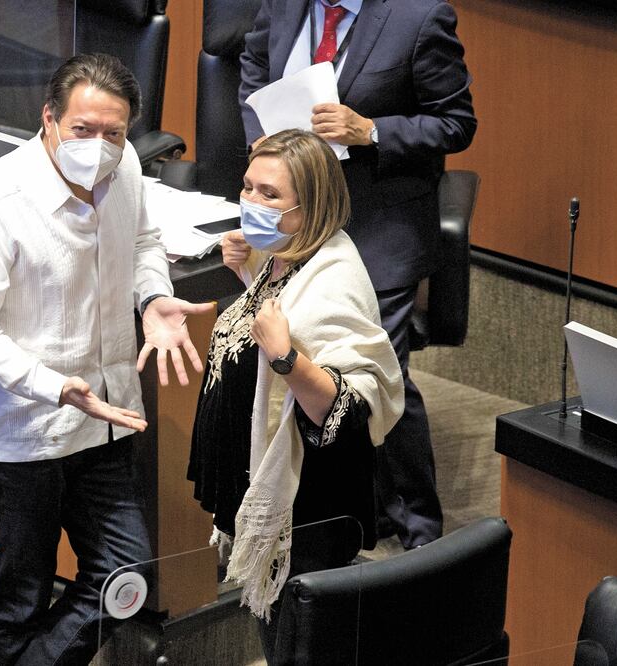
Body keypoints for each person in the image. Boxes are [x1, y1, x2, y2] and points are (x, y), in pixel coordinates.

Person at [0, 53, 210, 665]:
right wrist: (55, 386)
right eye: (82, 130)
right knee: (22, 596)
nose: (97, 145)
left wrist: (154, 295)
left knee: (126, 577)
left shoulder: (128, 168)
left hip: (105, 416)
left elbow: (145, 242)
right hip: (21, 431)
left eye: (113, 133)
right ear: (49, 119)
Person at [237, 0, 478, 549]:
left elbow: (456, 123)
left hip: (379, 225)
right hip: (296, 218)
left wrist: (370, 130)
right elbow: (252, 64)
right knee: (297, 362)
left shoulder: (420, 18)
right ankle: (338, 512)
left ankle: (420, 530)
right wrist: (262, 137)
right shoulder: (282, 4)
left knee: (376, 374)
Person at [188, 129, 404, 658]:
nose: (251, 203)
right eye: (247, 188)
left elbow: (354, 408)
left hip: (308, 519)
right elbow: (265, 330)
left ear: (311, 209)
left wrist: (288, 360)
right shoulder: (284, 258)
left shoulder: (334, 279)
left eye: (270, 195)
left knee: (299, 650)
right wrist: (248, 273)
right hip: (268, 499)